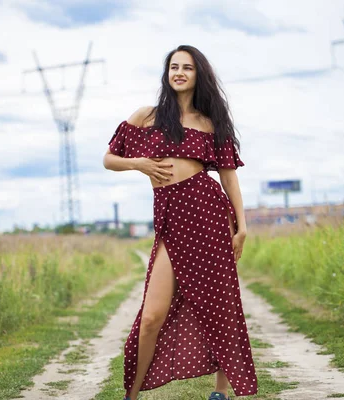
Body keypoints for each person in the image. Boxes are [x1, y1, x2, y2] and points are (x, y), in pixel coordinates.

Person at [103, 44, 257, 400]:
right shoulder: (147, 116)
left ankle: (220, 391)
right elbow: (109, 158)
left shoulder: (209, 122)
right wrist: (139, 164)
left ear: (197, 75)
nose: (180, 72)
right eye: (174, 67)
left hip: (209, 215)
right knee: (152, 315)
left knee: (220, 304)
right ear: (166, 73)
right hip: (171, 223)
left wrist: (242, 225)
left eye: (187, 67)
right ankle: (132, 394)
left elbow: (229, 176)